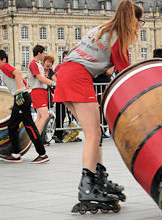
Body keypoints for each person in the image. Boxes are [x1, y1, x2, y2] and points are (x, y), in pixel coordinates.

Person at [55, 0, 143, 213]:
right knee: (94, 135)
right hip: (78, 77)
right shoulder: (119, 38)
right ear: (133, 20)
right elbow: (124, 74)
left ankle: (99, 178)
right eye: (141, 22)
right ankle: (87, 186)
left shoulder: (102, 29)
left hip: (66, 73)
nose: (141, 26)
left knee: (94, 133)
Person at [0, 50, 49, 164]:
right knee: (12, 126)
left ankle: (42, 153)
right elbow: (21, 80)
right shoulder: (4, 69)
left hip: (21, 98)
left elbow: (18, 74)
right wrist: (22, 89)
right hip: (21, 98)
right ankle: (16, 154)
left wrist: (18, 92)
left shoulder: (6, 67)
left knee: (29, 126)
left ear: (4, 60)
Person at [28, 45, 56, 148]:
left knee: (40, 116)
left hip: (42, 91)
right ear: (39, 53)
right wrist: (52, 83)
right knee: (44, 115)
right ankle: (37, 138)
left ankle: (33, 138)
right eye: (43, 53)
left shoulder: (38, 64)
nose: (44, 55)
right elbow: (39, 77)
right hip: (38, 91)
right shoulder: (33, 63)